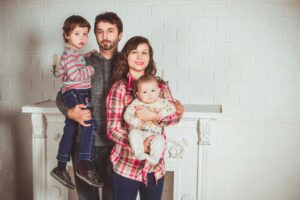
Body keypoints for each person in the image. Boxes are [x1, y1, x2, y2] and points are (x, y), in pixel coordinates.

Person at [106, 36, 184, 200]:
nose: (140, 57)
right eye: (134, 52)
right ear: (126, 57)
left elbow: (174, 117)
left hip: (154, 167)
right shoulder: (119, 88)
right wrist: (139, 144)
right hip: (127, 164)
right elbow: (112, 129)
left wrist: (154, 116)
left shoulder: (161, 86)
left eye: (144, 53)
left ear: (150, 58)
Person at [56, 12, 123, 200]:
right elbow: (61, 95)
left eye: (110, 31)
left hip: (116, 146)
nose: (105, 36)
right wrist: (69, 112)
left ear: (120, 34)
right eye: (100, 31)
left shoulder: (127, 63)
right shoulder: (82, 60)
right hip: (84, 145)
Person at [51, 15, 103, 189]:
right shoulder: (70, 55)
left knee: (72, 128)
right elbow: (75, 75)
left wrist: (85, 56)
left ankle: (60, 166)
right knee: (89, 124)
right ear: (67, 35)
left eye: (85, 34)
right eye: (77, 34)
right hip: (76, 93)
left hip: (73, 92)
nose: (82, 38)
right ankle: (85, 166)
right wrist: (90, 69)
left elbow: (60, 72)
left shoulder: (72, 55)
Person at [124, 74, 176, 165]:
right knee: (133, 134)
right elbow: (127, 115)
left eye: (153, 91)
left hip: (154, 134)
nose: (150, 95)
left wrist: (163, 112)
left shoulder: (161, 102)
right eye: (144, 92)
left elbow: (172, 109)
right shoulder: (136, 103)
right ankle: (139, 153)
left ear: (159, 91)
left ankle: (155, 157)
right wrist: (134, 121)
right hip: (140, 133)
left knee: (160, 140)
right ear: (138, 94)